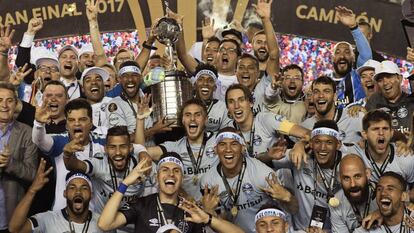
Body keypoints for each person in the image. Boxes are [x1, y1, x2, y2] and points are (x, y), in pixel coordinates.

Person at [200, 127, 298, 233]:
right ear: (215, 149)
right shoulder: (208, 181)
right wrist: (209, 212)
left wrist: (287, 197)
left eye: (234, 144)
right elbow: (217, 222)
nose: (228, 149)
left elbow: (293, 209)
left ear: (242, 148)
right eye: (222, 144)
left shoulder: (263, 174)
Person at [98, 152, 205, 232]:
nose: (171, 174)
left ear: (182, 179)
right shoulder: (141, 205)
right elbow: (104, 224)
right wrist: (125, 183)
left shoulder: (192, 210)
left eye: (176, 170)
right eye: (165, 170)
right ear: (157, 177)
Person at [136, 98, 218, 200]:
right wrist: (140, 119)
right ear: (183, 120)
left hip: (216, 209)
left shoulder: (219, 141)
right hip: (186, 209)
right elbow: (141, 152)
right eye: (188, 115)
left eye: (197, 115)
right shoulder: (174, 147)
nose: (192, 119)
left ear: (205, 120)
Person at [32, 98, 106, 211]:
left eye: (82, 119)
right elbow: (39, 140)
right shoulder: (60, 141)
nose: (77, 123)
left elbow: (128, 146)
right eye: (71, 120)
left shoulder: (102, 142)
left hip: (96, 215)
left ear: (91, 123)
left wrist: (141, 152)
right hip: (62, 213)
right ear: (66, 125)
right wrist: (39, 124)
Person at [274, 120, 344, 231]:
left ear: (338, 145)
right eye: (317, 142)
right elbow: (261, 162)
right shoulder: (300, 155)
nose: (322, 147)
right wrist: (268, 155)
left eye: (329, 142)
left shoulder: (347, 166)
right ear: (311, 143)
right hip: (302, 230)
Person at [8, 162, 104, 233]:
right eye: (72, 187)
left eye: (84, 188)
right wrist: (32, 190)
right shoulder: (48, 219)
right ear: (65, 193)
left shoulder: (102, 223)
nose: (78, 192)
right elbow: (15, 229)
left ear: (91, 195)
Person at [226, 84, 309, 159]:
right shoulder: (227, 132)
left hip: (277, 174)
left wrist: (301, 144)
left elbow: (308, 133)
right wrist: (268, 156)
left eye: (241, 100)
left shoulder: (266, 119)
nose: (236, 106)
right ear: (228, 109)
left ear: (251, 103)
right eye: (231, 102)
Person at [0, 82, 38, 231]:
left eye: (9, 100)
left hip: (12, 218)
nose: (4, 105)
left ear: (16, 104)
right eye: (0, 100)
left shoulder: (27, 132)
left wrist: (9, 163)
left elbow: (32, 173)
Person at [343, 109, 414, 184]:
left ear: (391, 133)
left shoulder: (406, 158)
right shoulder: (354, 155)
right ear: (364, 134)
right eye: (375, 129)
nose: (381, 133)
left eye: (385, 129)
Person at [301, 76, 363, 144]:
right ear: (312, 97)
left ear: (335, 96)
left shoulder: (354, 117)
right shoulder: (305, 127)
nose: (321, 95)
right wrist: (299, 144)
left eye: (326, 91)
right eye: (316, 92)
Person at [332, 6, 372, 108]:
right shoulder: (324, 81)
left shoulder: (358, 76)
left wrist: (354, 27)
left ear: (354, 58)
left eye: (347, 52)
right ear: (332, 58)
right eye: (338, 52)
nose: (342, 56)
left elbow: (366, 55)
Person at [330, 154, 377, 233]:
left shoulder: (383, 196)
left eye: (357, 176)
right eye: (346, 178)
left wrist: (380, 213)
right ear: (339, 178)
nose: (353, 184)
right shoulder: (336, 201)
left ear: (367, 174)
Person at [365, 60, 414, 136]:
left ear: (399, 78)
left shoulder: (411, 102)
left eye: (389, 77)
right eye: (380, 80)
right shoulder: (374, 103)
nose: (385, 83)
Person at [192, 63, 232, 132]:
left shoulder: (223, 108)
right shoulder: (186, 106)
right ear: (195, 85)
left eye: (210, 80)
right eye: (201, 79)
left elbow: (226, 134)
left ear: (215, 87)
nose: (205, 83)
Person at [80, 66, 112, 133]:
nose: (94, 82)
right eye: (88, 80)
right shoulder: (79, 109)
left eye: (98, 79)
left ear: (103, 85)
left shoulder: (115, 103)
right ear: (82, 88)